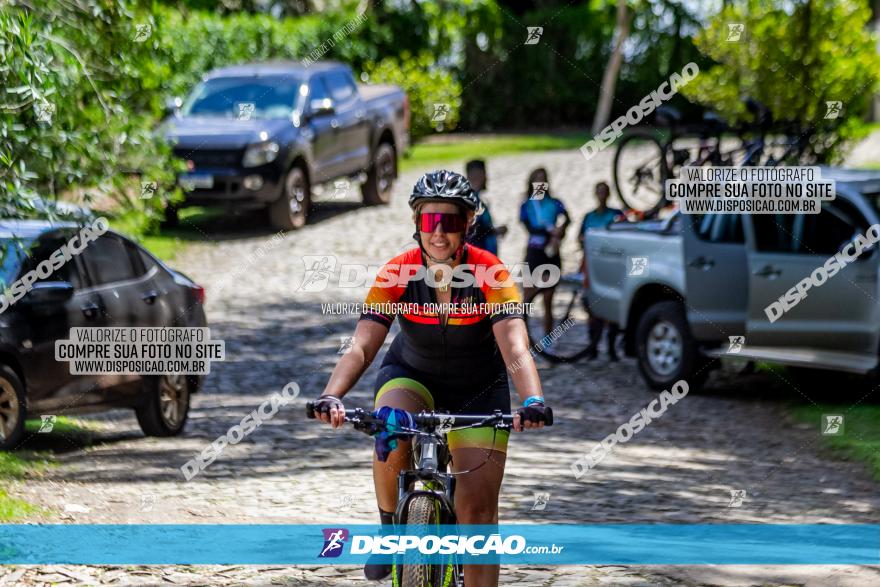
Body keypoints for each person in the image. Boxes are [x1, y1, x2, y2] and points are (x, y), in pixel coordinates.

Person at [312, 170, 552, 587]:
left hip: (477, 389)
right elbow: (363, 345)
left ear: (469, 224)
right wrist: (332, 395)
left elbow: (515, 346)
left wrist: (532, 400)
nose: (439, 235)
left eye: (451, 223)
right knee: (389, 428)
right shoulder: (397, 272)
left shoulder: (491, 274)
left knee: (478, 516)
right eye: (429, 223)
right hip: (411, 375)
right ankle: (389, 529)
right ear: (416, 225)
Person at [519, 167, 571, 337]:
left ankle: (548, 341)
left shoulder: (555, 203)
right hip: (534, 252)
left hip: (551, 253)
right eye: (537, 180)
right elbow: (530, 228)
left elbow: (567, 218)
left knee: (548, 299)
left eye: (543, 179)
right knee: (527, 298)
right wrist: (551, 232)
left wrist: (561, 231)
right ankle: (524, 340)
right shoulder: (526, 205)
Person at [579, 181, 624, 361]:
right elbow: (580, 238)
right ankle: (593, 347)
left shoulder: (616, 215)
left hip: (611, 265)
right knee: (592, 305)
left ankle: (611, 347)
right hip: (591, 264)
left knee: (611, 303)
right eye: (599, 192)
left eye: (605, 192)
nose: (602, 195)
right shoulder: (588, 216)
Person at [465, 159, 507, 255]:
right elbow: (473, 230)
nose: (486, 178)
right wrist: (495, 231)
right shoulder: (471, 200)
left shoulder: (479, 199)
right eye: (483, 174)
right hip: (479, 256)